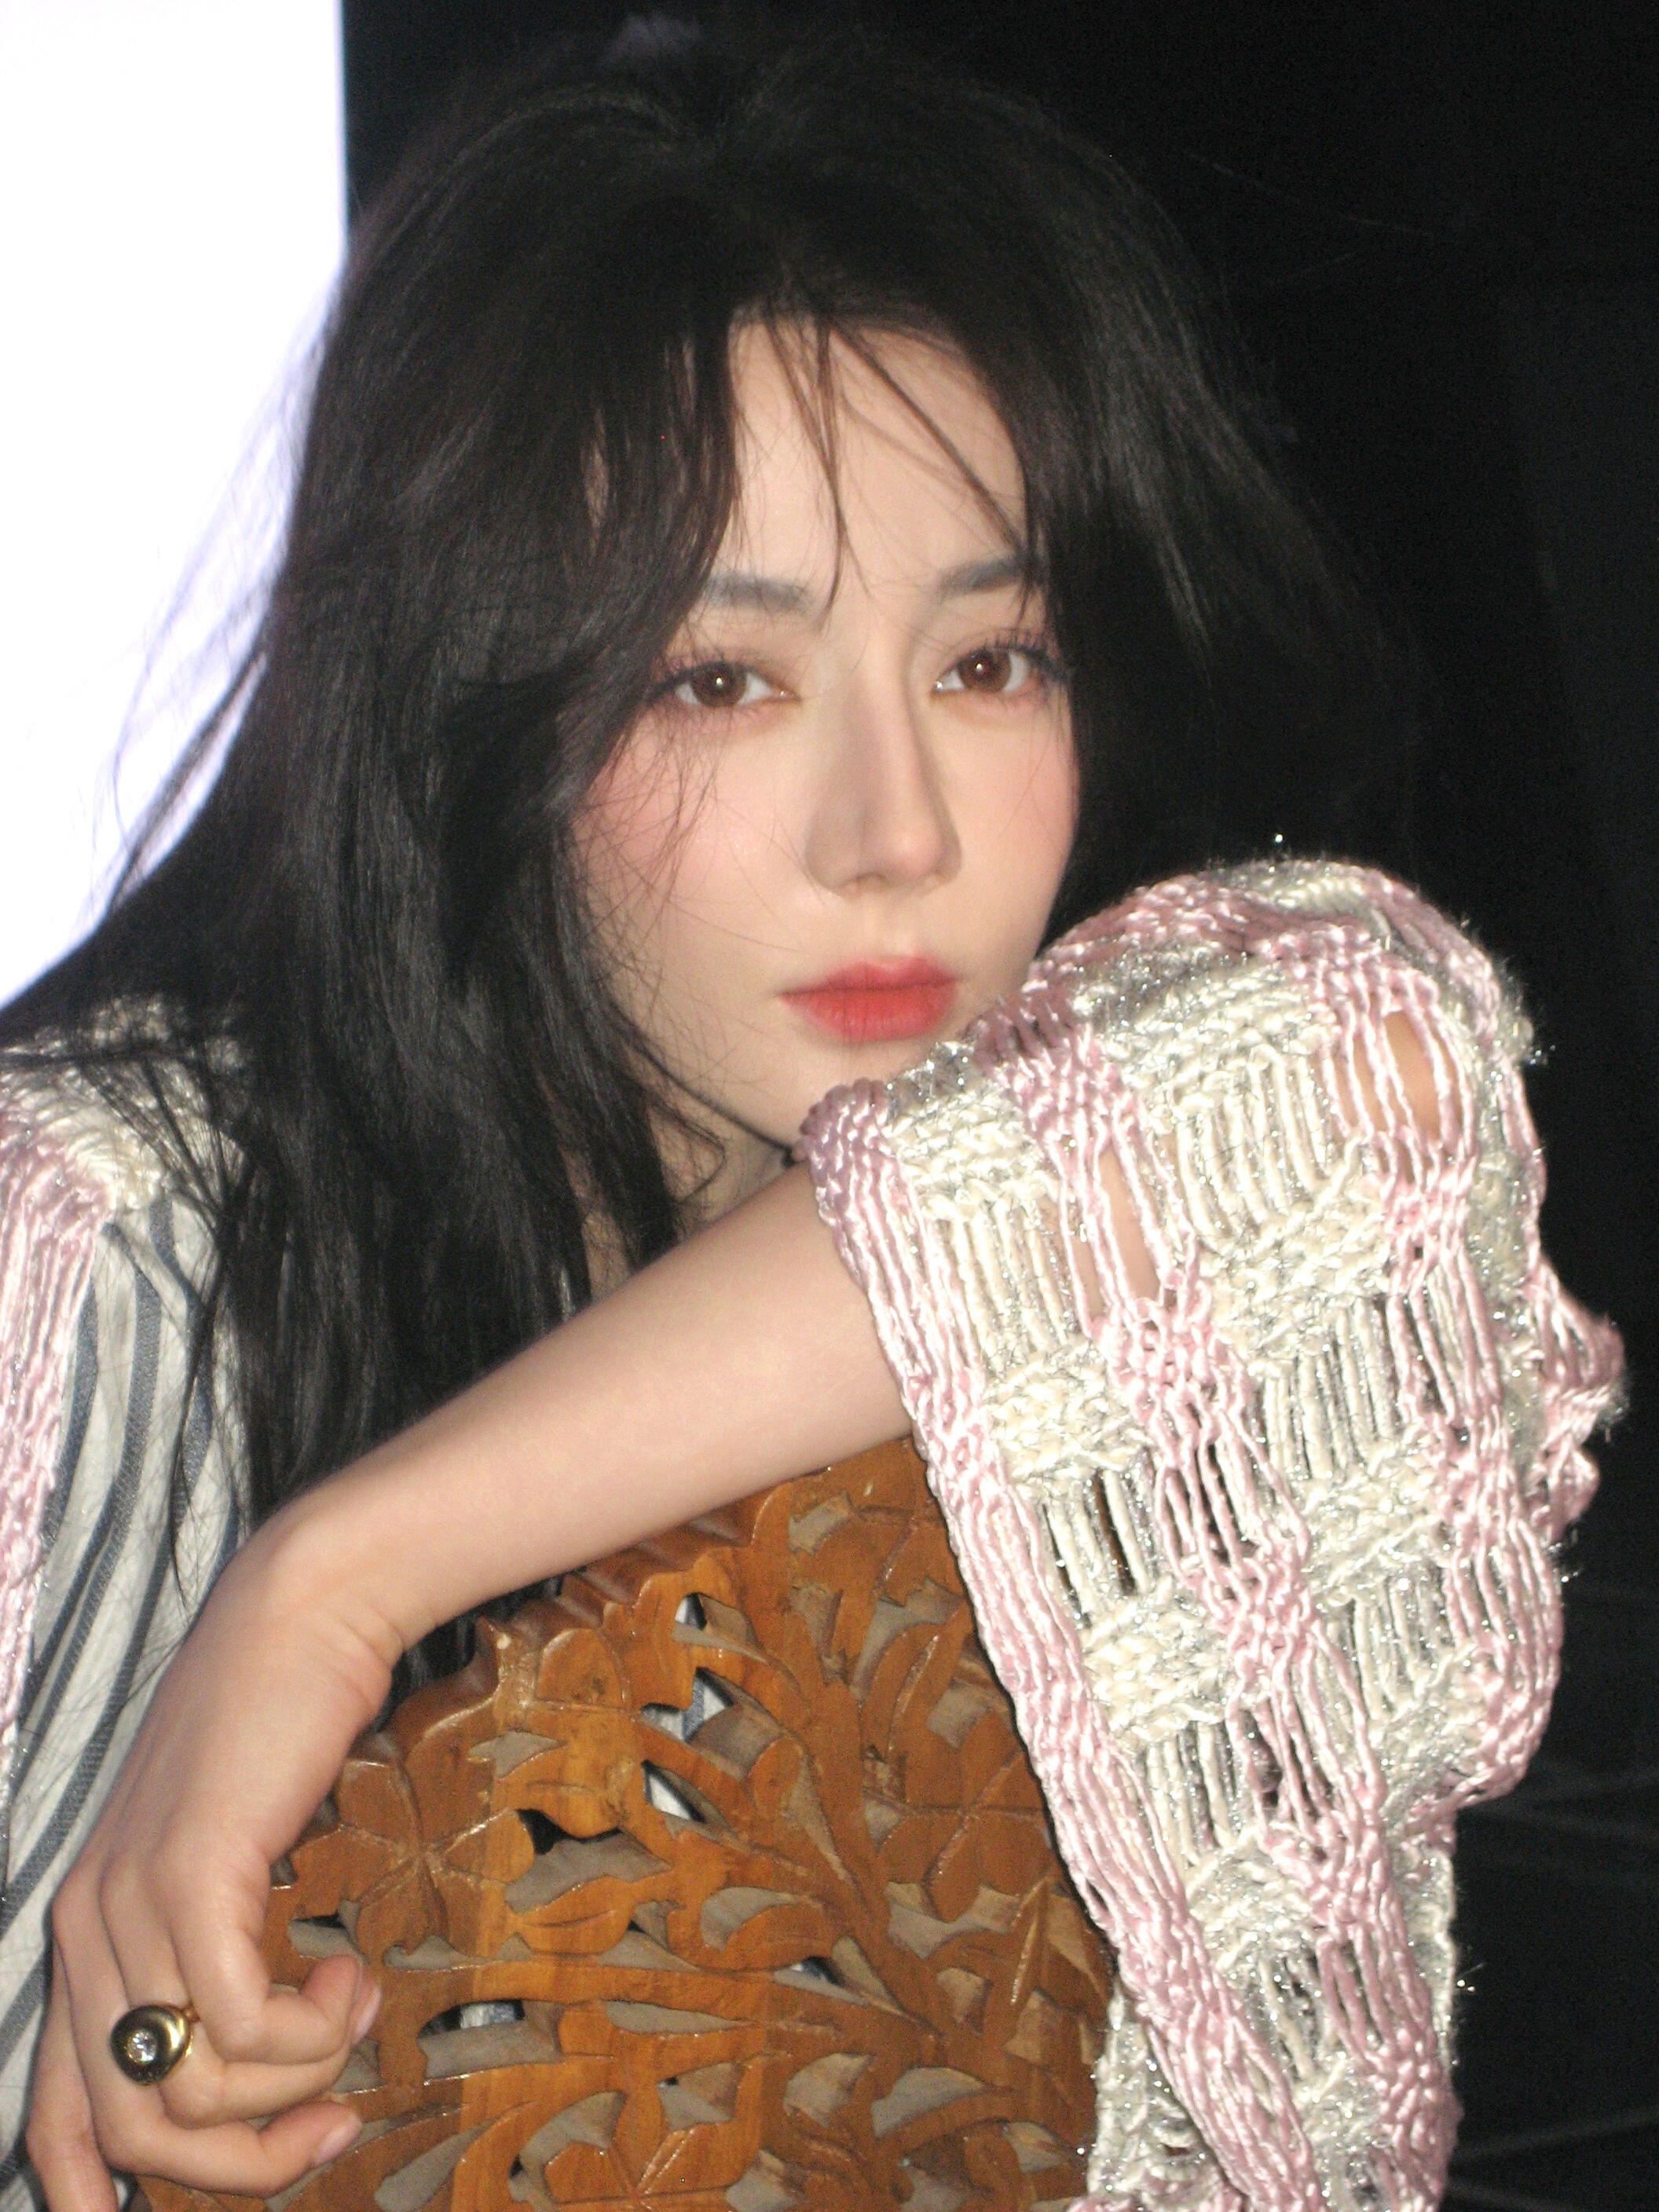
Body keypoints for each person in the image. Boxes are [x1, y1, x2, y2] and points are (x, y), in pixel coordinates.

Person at [0, 25, 1621, 2212]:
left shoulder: (1118, 1188)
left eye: (992, 662)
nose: (897, 834)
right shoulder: (106, 1245)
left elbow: (1378, 1039)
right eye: (719, 680)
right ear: (471, 714)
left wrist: (329, 1586)